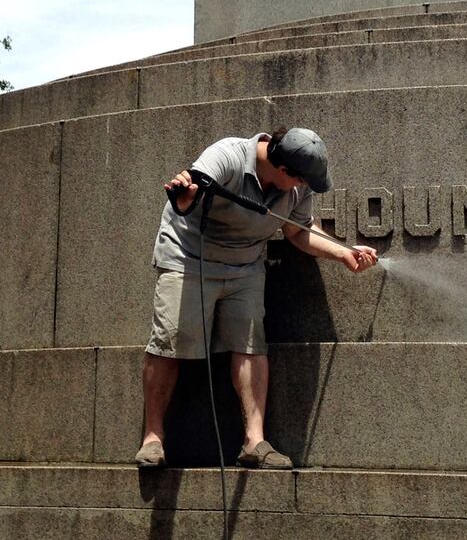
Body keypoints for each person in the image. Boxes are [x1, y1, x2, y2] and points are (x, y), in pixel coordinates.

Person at [137, 127, 377, 470]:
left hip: (245, 266)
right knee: (171, 341)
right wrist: (186, 195)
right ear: (283, 170)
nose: (303, 188)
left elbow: (298, 231)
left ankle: (254, 442)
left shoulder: (296, 188)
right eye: (300, 181)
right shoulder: (228, 154)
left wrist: (344, 253)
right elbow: (191, 190)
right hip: (189, 258)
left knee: (251, 344)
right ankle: (153, 438)